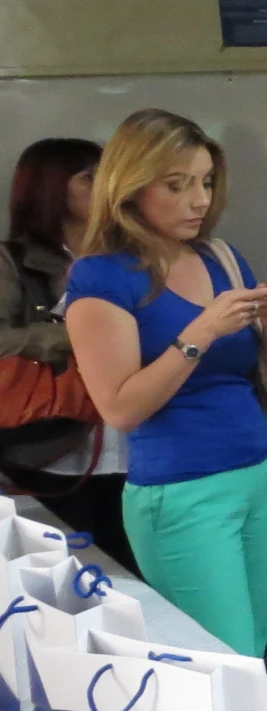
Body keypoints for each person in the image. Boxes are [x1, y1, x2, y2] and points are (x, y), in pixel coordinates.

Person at [61, 109, 267, 654]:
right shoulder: (101, 276)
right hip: (183, 492)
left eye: (207, 182)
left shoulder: (218, 256)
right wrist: (202, 331)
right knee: (222, 663)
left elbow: (265, 367)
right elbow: (120, 408)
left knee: (254, 651)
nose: (200, 201)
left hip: (259, 474)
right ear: (131, 187)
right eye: (177, 185)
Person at [0, 138, 134, 566]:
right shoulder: (13, 261)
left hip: (139, 448)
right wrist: (79, 330)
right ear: (49, 187)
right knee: (71, 579)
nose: (107, 187)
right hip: (47, 449)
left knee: (141, 579)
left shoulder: (134, 257)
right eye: (90, 177)